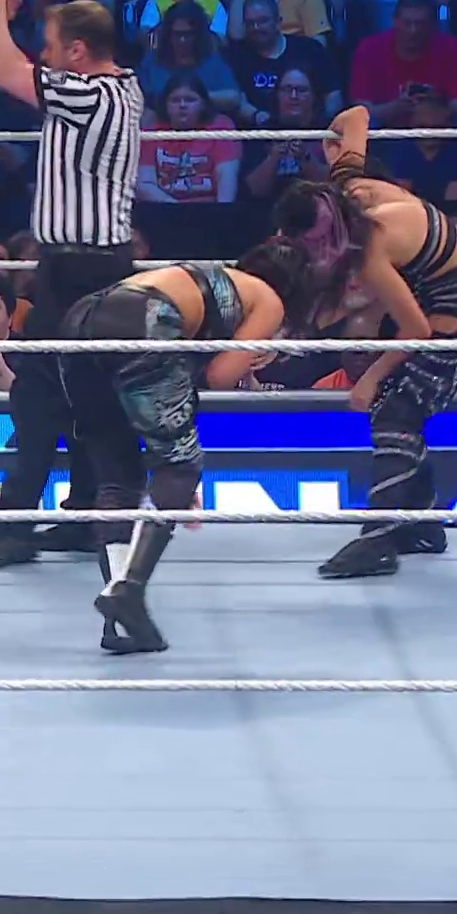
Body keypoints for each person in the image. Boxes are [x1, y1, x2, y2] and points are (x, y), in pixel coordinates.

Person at [0, 0, 144, 568]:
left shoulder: (87, 96)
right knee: (88, 395)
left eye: (54, 46)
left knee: (36, 395)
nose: (44, 55)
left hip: (81, 268)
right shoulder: (125, 87)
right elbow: (17, 60)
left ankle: (14, 526)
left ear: (79, 54)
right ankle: (88, 514)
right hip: (94, 264)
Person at [271, 105, 457, 579]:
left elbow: (418, 331)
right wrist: (337, 142)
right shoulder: (346, 190)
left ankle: (377, 540)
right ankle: (422, 524)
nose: (317, 252)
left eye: (314, 243)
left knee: (396, 411)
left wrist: (371, 377)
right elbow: (357, 115)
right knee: (395, 407)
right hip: (426, 283)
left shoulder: (370, 242)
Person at [58, 238, 312, 652]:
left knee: (119, 475)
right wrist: (254, 354)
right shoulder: (268, 299)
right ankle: (129, 590)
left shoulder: (213, 277)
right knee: (182, 463)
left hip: (81, 320)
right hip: (141, 322)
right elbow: (220, 376)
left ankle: (120, 619)